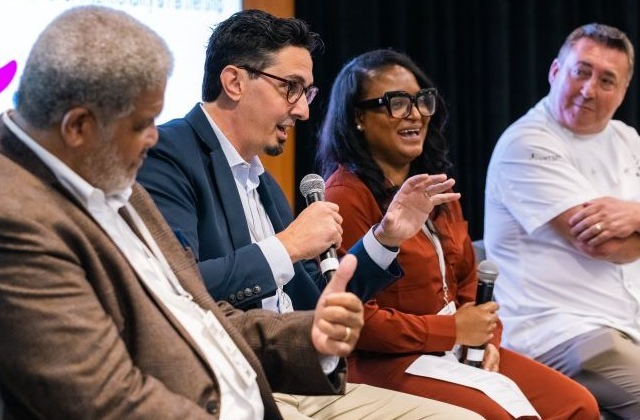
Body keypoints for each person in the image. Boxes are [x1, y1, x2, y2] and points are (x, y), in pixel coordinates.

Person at [0, 6, 372, 419]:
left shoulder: (106, 178)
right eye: (142, 124)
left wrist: (309, 339)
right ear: (78, 127)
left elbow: (199, 312)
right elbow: (108, 401)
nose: (155, 139)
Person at [137, 9, 482, 420]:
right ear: (234, 82)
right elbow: (176, 289)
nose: (302, 110)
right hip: (234, 384)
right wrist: (287, 246)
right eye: (291, 88)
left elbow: (320, 301)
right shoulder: (169, 154)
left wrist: (386, 236)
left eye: (308, 93)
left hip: (304, 379)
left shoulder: (261, 180)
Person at [316, 48, 600, 419]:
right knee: (501, 415)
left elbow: (468, 280)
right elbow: (358, 321)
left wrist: (487, 340)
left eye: (421, 100)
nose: (415, 113)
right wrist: (450, 331)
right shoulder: (344, 197)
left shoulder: (435, 185)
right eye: (397, 103)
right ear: (358, 117)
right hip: (383, 362)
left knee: (578, 405)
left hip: (455, 346)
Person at [484, 23, 640, 419]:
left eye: (606, 80)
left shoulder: (625, 137)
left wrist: (630, 213)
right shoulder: (527, 142)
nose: (589, 89)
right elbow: (603, 245)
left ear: (623, 91)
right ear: (554, 71)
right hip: (561, 330)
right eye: (580, 71)